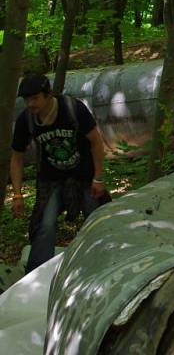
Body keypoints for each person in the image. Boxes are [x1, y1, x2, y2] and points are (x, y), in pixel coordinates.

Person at [8, 72, 109, 273]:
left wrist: (98, 178)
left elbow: (96, 142)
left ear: (48, 95)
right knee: (44, 225)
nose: (30, 104)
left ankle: (106, 264)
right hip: (50, 180)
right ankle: (37, 274)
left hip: (83, 176)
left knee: (97, 218)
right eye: (27, 99)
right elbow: (16, 157)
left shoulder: (72, 109)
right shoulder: (26, 120)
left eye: (35, 98)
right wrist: (17, 194)